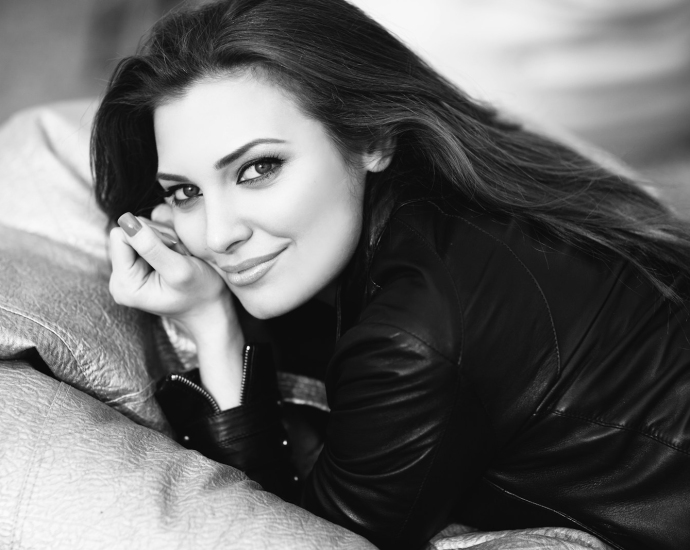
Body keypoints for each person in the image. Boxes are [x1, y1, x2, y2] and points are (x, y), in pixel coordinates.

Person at [90, 1, 690, 549]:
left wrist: (209, 326)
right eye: (187, 192)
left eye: (258, 168)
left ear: (372, 137)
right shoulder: (469, 188)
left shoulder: (415, 334)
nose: (217, 235)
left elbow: (297, 539)